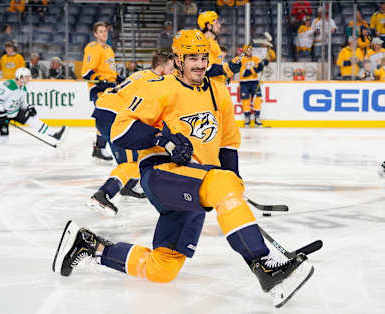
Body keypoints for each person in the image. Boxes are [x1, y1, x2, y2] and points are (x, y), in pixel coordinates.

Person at [52, 29, 314, 308]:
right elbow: (120, 131)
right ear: (178, 60)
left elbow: (227, 144)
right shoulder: (159, 88)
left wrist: (232, 187)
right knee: (221, 183)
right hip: (162, 174)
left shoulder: (219, 92)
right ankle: (263, 265)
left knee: (163, 269)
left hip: (198, 181)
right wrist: (161, 139)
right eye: (193, 59)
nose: (200, 64)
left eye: (204, 58)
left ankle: (90, 246)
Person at [87, 51, 175, 215]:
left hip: (105, 111)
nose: (174, 72)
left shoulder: (141, 74)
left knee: (136, 156)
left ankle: (128, 187)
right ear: (161, 69)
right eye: (171, 68)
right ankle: (103, 194)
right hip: (116, 117)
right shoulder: (155, 80)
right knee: (132, 163)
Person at [0, 67, 66, 144]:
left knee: (32, 119)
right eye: (27, 77)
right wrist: (1, 113)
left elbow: (22, 102)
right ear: (20, 77)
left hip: (15, 112)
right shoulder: (8, 85)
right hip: (2, 115)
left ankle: (54, 134)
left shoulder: (23, 88)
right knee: (2, 140)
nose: (29, 79)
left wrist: (28, 106)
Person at [82, 21, 124, 162]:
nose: (104, 33)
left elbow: (110, 70)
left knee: (109, 118)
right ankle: (100, 148)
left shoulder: (108, 49)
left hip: (110, 88)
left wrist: (119, 78)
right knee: (105, 118)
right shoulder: (93, 48)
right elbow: (86, 71)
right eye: (100, 31)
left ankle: (100, 147)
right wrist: (100, 79)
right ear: (95, 34)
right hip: (99, 89)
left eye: (105, 31)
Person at [197, 11, 240, 84]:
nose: (219, 25)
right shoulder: (203, 44)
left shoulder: (213, 43)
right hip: (208, 90)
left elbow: (217, 65)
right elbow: (207, 69)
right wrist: (226, 68)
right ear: (209, 26)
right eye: (216, 23)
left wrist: (227, 72)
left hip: (217, 87)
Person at [238, 45, 269, 127]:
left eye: (250, 50)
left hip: (254, 82)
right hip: (244, 82)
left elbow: (260, 67)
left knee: (258, 99)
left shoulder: (255, 58)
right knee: (245, 100)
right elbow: (245, 73)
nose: (249, 52)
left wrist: (264, 63)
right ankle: (247, 118)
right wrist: (255, 69)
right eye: (247, 50)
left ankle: (257, 118)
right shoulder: (241, 60)